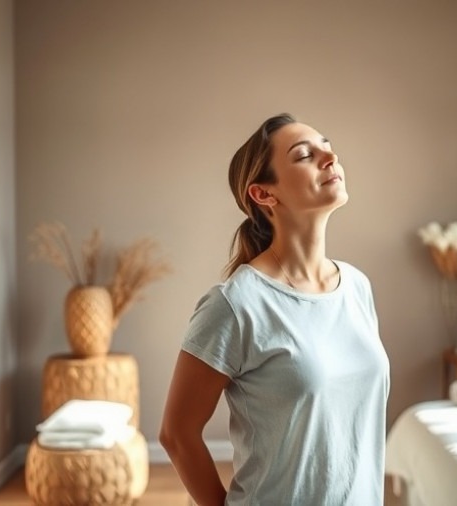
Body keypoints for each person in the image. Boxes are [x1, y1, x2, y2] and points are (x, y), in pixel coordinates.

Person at [159, 113, 390, 505]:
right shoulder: (235, 305)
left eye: (327, 147)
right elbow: (177, 434)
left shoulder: (357, 287)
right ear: (264, 194)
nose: (330, 158)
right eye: (305, 155)